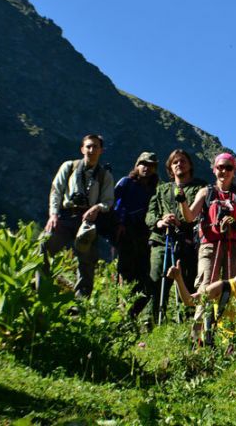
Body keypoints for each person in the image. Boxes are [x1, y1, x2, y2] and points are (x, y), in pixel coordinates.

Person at [39, 134, 115, 299]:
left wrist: (97, 207)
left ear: (101, 150)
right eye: (88, 146)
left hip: (88, 222)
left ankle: (80, 303)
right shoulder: (69, 167)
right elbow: (56, 191)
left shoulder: (104, 176)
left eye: (95, 147)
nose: (91, 150)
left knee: (87, 262)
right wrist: (53, 215)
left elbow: (108, 201)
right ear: (82, 149)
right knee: (43, 246)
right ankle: (40, 289)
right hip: (65, 216)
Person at [145, 149, 206, 324]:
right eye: (175, 162)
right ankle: (153, 321)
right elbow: (150, 214)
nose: (179, 164)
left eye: (183, 161)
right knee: (157, 279)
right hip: (162, 241)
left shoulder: (200, 187)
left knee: (188, 282)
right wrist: (159, 222)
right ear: (170, 168)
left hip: (188, 242)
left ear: (190, 165)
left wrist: (183, 223)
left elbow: (203, 214)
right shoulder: (161, 189)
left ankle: (188, 322)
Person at [181, 152, 236, 287]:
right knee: (205, 287)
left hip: (234, 247)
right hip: (209, 246)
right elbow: (190, 217)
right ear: (214, 170)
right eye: (220, 167)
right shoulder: (205, 192)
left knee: (232, 288)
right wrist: (182, 201)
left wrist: (235, 225)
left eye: (229, 168)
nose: (224, 171)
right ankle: (204, 309)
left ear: (233, 171)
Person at [113, 151, 158, 316]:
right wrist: (118, 225)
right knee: (126, 273)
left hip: (145, 237)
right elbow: (115, 206)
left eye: (150, 165)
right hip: (125, 233)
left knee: (144, 277)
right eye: (143, 164)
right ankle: (122, 312)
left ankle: (132, 313)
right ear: (137, 165)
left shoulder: (154, 190)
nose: (146, 168)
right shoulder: (125, 183)